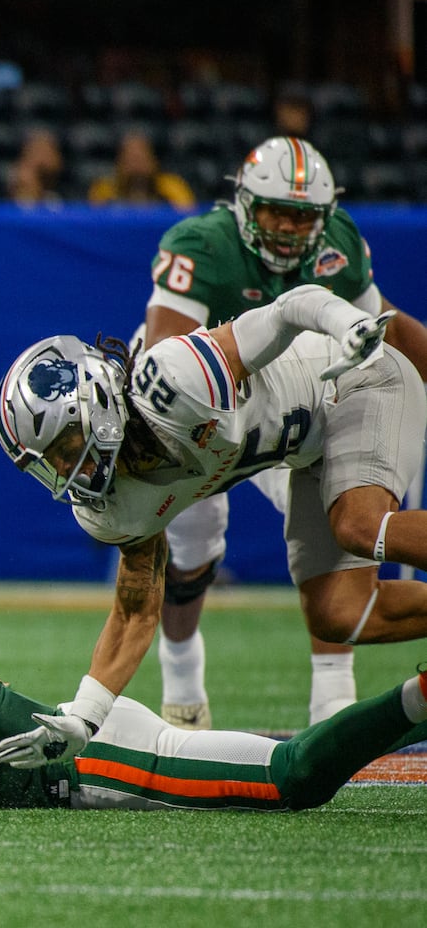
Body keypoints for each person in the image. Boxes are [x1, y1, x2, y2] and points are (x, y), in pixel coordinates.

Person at [0, 285, 427, 768]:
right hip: (308, 448)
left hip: (353, 380)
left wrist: (346, 323)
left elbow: (288, 309)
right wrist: (85, 716)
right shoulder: (111, 506)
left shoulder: (176, 381)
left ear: (95, 402)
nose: (65, 468)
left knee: (359, 525)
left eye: (65, 445)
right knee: (340, 613)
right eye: (48, 462)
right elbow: (135, 612)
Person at [0, 526, 427, 812]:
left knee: (293, 777)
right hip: (64, 765)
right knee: (293, 778)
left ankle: (418, 697)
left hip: (93, 759)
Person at [141, 136, 427, 729]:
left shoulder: (339, 245)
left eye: (302, 216)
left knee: (346, 522)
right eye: (275, 210)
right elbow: (170, 354)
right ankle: (183, 677)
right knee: (190, 556)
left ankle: (333, 694)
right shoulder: (202, 247)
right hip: (199, 424)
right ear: (244, 204)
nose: (288, 228)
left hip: (300, 410)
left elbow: (383, 329)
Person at [87, 129, 196, 209]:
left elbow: (187, 220)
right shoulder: (104, 190)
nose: (136, 166)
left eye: (141, 159)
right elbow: (94, 224)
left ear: (154, 162)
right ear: (119, 164)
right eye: (130, 159)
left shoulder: (173, 187)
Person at [6, 127, 64, 207]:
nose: (42, 157)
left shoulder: (55, 200)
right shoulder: (20, 177)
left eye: (46, 152)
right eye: (38, 151)